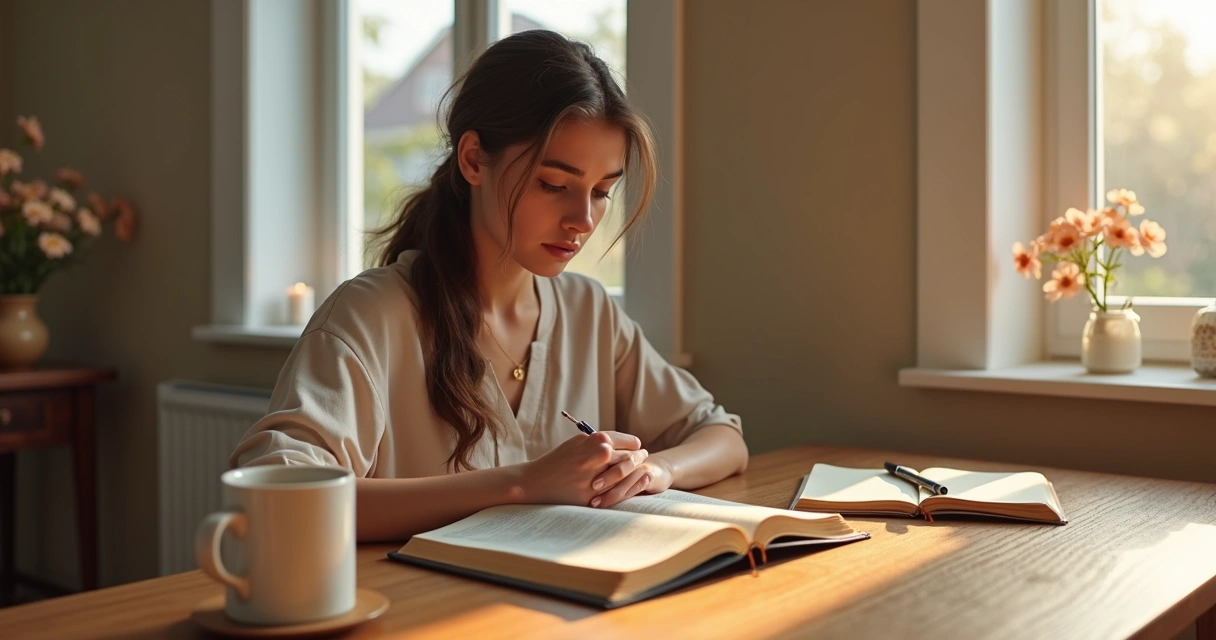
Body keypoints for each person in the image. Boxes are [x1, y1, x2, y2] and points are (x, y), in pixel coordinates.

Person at [230, 29, 747, 542]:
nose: (583, 220)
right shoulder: (372, 315)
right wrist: (522, 484)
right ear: (474, 159)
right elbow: (281, 494)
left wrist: (654, 473)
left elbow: (722, 436)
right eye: (554, 185)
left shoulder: (589, 311)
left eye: (601, 192)